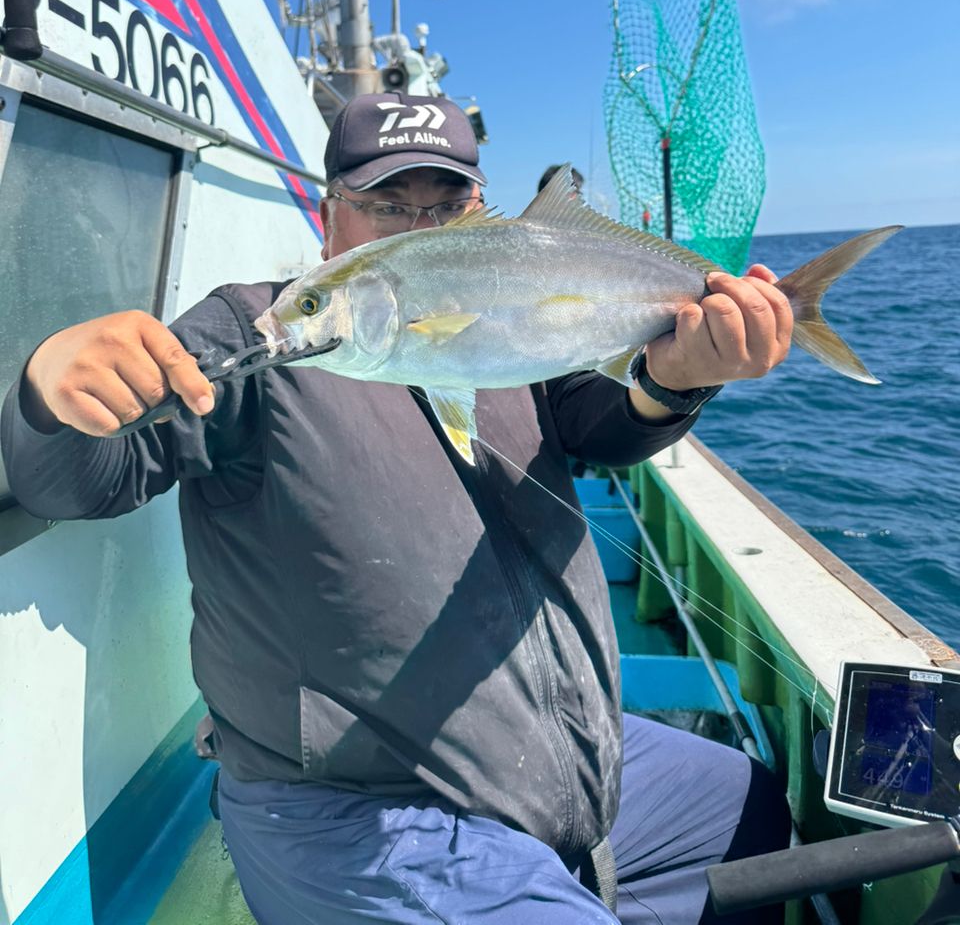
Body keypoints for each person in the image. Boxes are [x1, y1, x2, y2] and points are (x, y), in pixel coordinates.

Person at [1, 92, 793, 924]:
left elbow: (596, 426)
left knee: (745, 807)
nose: (416, 232)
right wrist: (51, 396)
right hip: (362, 806)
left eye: (445, 207)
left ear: (479, 210)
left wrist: (675, 380)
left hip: (565, 754)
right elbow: (86, 478)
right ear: (329, 213)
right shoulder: (253, 328)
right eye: (384, 206)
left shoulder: (511, 306)